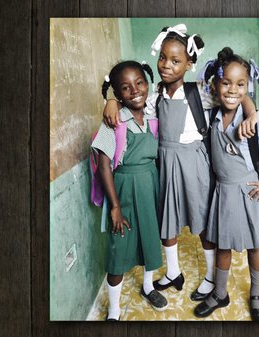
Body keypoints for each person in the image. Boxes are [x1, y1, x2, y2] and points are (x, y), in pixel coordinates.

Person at [102, 24, 258, 302]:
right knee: (167, 220)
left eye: (175, 61)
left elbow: (238, 95)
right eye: (162, 57)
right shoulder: (154, 97)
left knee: (202, 221)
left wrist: (251, 115)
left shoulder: (200, 92)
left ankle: (211, 277)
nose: (166, 65)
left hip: (193, 164)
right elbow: (130, 103)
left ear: (189, 64)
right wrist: (111, 101)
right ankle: (173, 271)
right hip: (165, 162)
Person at [193, 47, 259, 321]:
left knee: (254, 247)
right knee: (223, 246)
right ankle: (219, 293)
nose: (232, 90)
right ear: (215, 84)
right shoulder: (211, 116)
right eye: (225, 82)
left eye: (241, 84)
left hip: (250, 192)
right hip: (223, 193)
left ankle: (256, 293)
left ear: (248, 86)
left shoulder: (256, 120)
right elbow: (196, 91)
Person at [92, 61, 167, 320]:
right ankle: (113, 310)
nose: (135, 91)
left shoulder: (153, 117)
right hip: (122, 189)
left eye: (140, 83)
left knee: (149, 239)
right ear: (117, 93)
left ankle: (148, 287)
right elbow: (103, 165)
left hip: (150, 185)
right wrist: (114, 206)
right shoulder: (113, 121)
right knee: (118, 247)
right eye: (125, 88)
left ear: (147, 84)